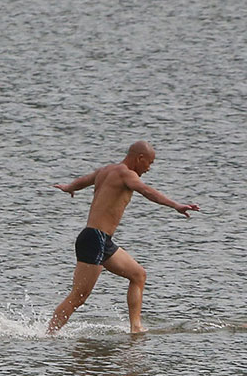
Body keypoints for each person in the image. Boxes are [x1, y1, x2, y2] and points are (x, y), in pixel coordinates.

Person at [46, 141, 199, 335]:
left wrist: (70, 187)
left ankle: (136, 328)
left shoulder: (105, 170)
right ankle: (49, 335)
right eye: (149, 163)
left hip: (101, 240)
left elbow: (85, 180)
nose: (149, 168)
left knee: (138, 275)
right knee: (78, 296)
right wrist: (176, 205)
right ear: (140, 158)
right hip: (95, 240)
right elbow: (147, 191)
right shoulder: (127, 174)